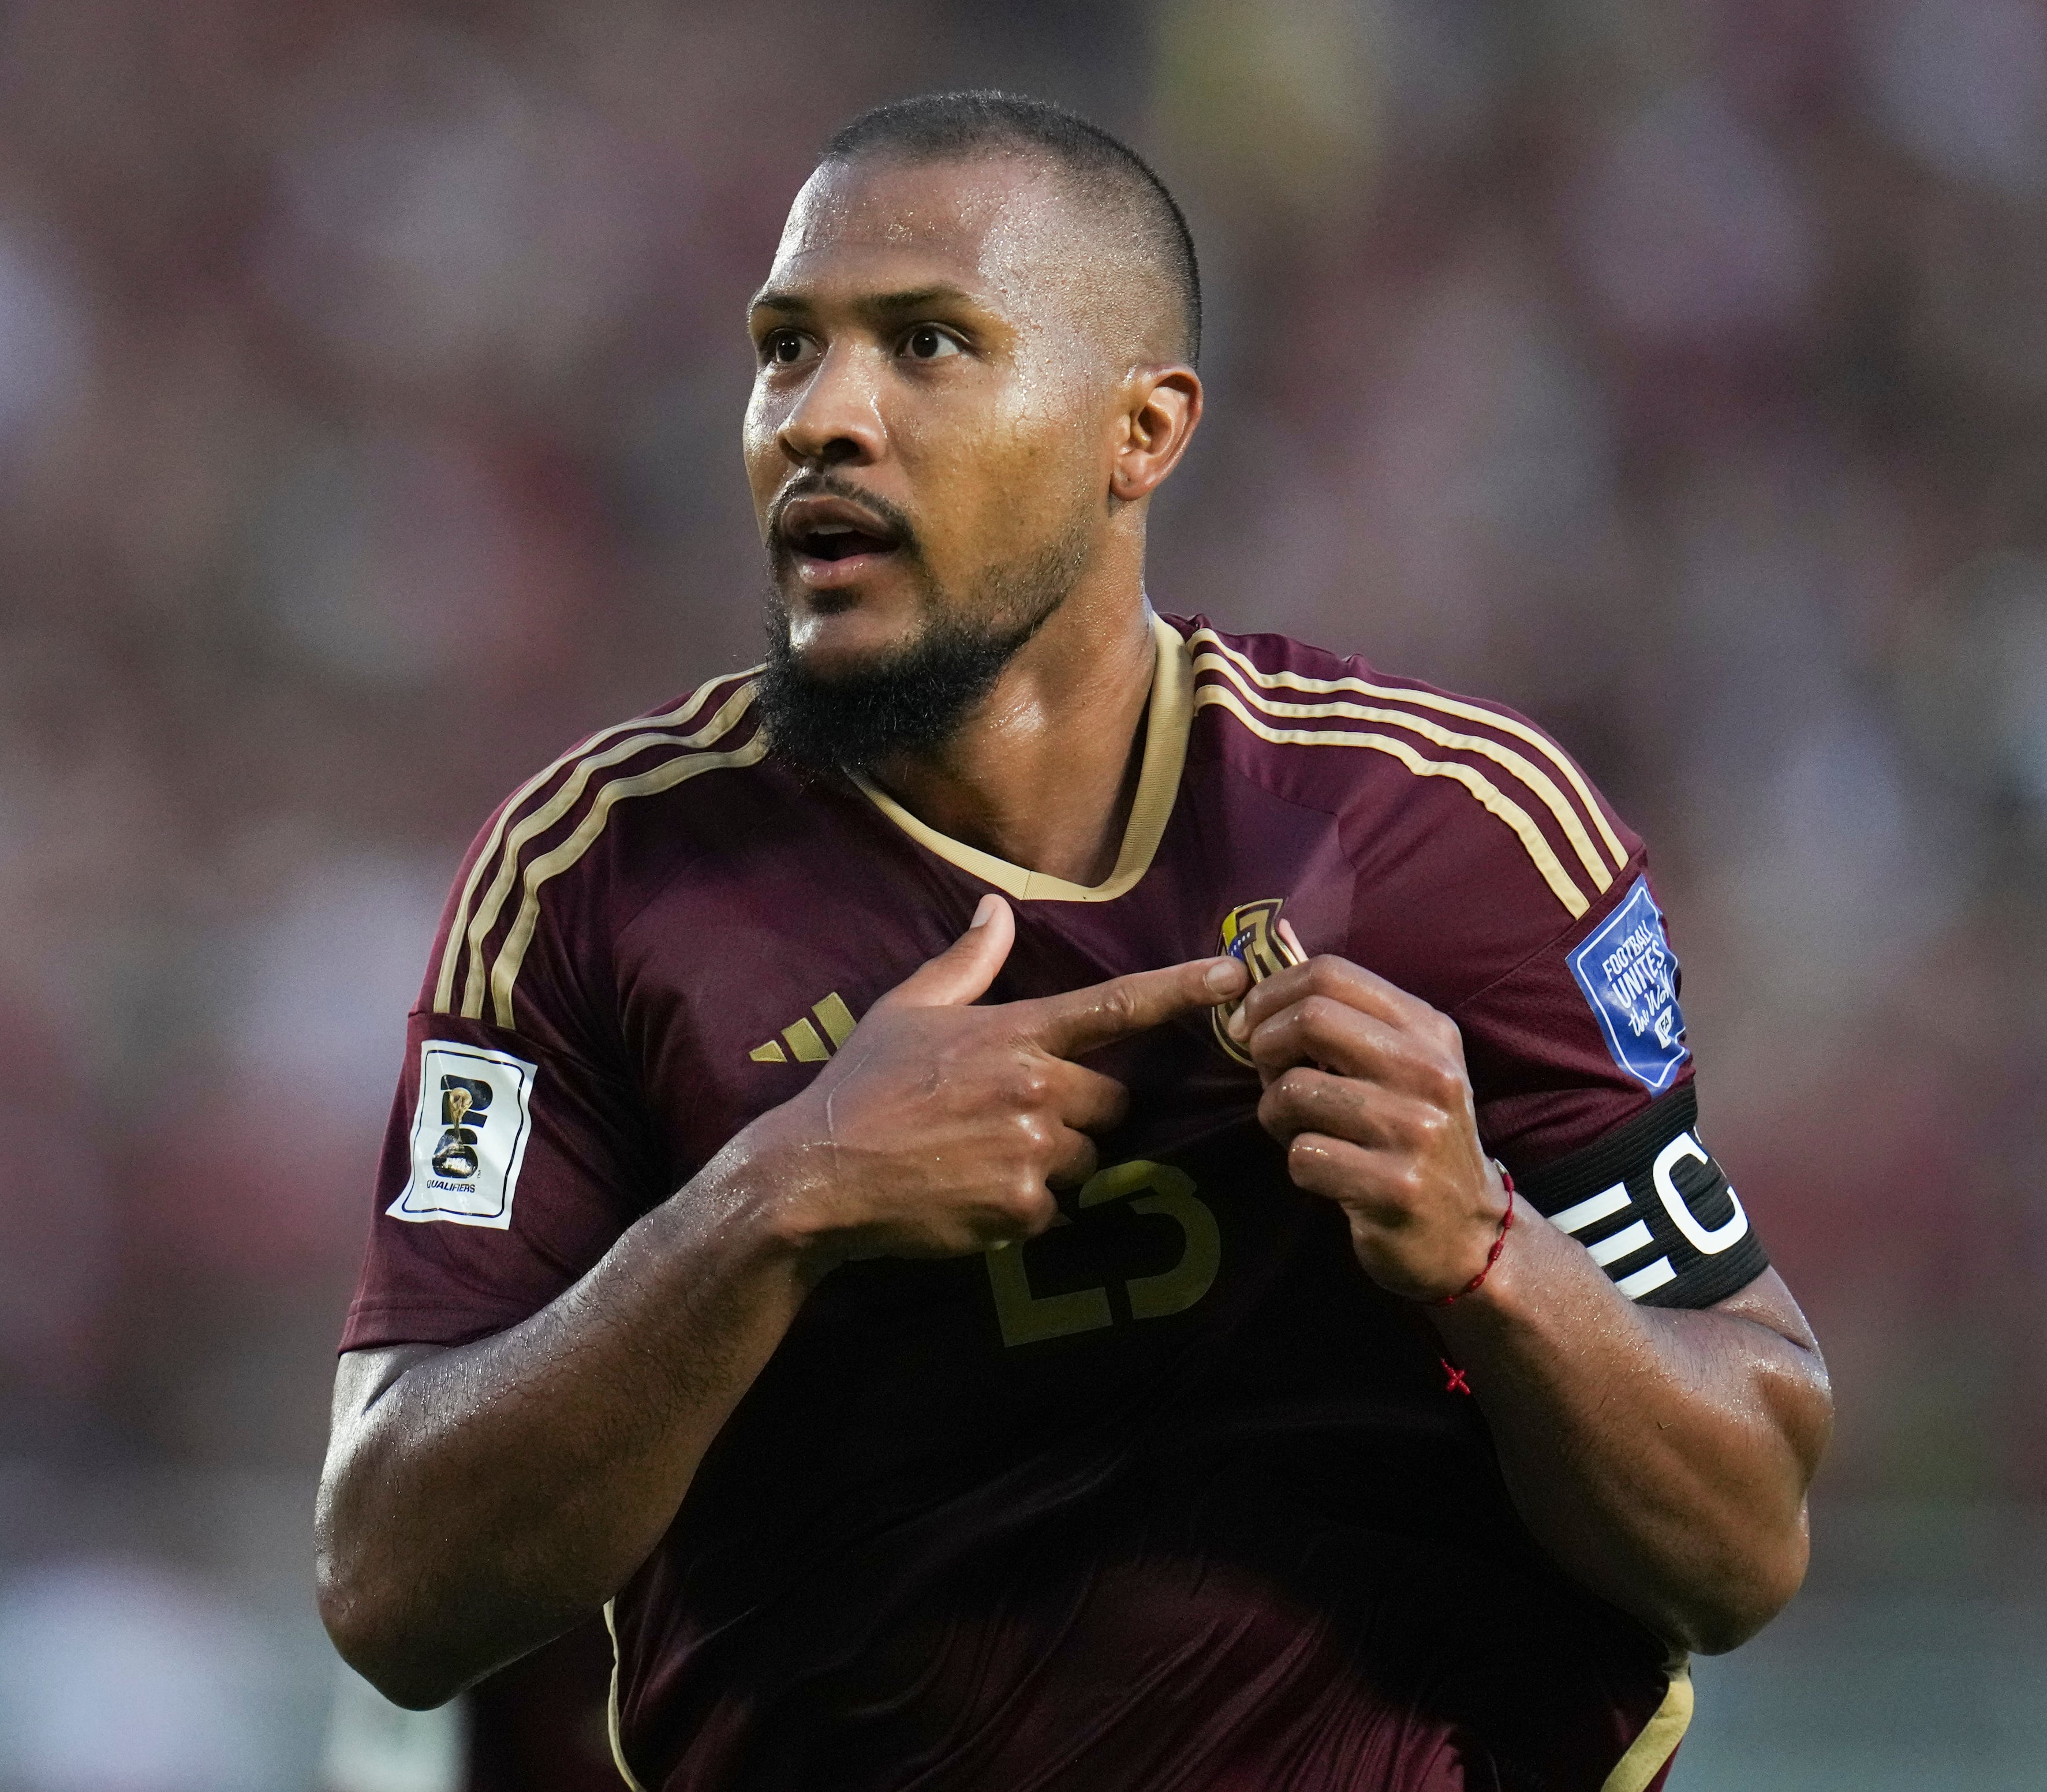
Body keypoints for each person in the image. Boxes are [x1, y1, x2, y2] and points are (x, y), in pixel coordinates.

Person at [315, 91, 1832, 1791]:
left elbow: (1744, 1538)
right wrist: (781, 1196)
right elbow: (391, 1582)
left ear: (1144, 430)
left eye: (927, 344)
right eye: (784, 350)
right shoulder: (597, 880)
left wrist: (1487, 1252)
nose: (823, 416)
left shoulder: (1449, 836)